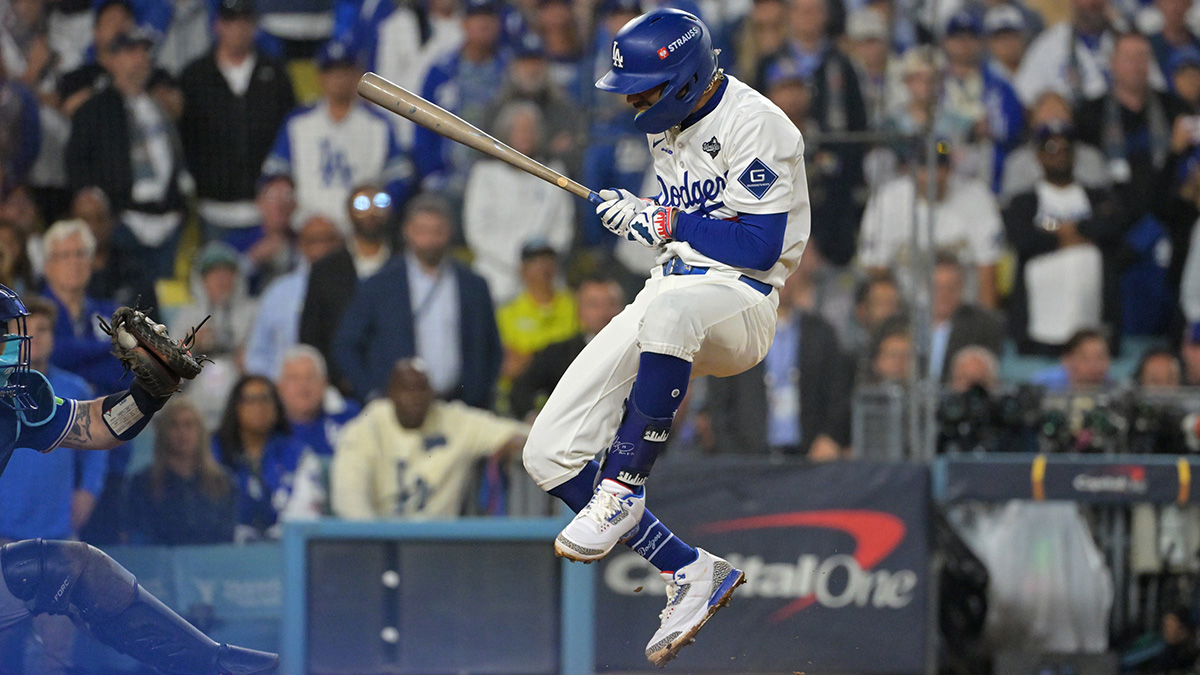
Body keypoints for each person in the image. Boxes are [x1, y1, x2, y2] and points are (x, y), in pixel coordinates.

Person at [521, 8, 808, 666]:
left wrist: (663, 217)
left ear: (682, 79)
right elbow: (677, 230)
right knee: (549, 452)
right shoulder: (670, 123)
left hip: (742, 302)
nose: (630, 101)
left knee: (672, 315)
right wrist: (645, 221)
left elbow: (760, 245)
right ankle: (689, 569)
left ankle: (623, 486)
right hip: (669, 291)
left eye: (641, 89)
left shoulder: (754, 120)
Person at [0, 284, 278, 673]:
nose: (8, 348)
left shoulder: (12, 402)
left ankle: (213, 664)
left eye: (7, 335)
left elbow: (96, 425)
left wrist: (148, 393)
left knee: (78, 566)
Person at [0, 296, 104, 674]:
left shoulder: (74, 386)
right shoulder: (0, 391)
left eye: (42, 329)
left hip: (57, 536)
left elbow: (98, 449)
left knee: (57, 647)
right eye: (24, 330)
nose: (35, 337)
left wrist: (88, 490)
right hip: (3, 536)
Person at [333, 195, 501, 407]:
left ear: (450, 231)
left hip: (461, 406)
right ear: (407, 231)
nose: (430, 239)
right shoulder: (380, 284)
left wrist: (479, 392)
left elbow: (491, 346)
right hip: (398, 409)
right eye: (422, 231)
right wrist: (372, 394)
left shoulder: (474, 285)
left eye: (437, 231)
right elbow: (346, 344)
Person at [65, 26, 191, 281]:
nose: (140, 58)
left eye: (144, 51)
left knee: (164, 306)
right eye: (130, 51)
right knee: (129, 304)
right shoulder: (93, 109)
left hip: (167, 221)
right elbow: (76, 162)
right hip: (123, 223)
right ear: (111, 60)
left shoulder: (160, 106)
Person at [331, 359, 527, 519]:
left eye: (422, 389)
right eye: (407, 389)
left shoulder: (453, 420)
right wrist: (377, 545)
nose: (415, 397)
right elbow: (349, 501)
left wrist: (515, 443)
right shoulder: (364, 428)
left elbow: (520, 435)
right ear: (390, 394)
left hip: (438, 545)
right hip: (378, 541)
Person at [260, 38, 413, 234]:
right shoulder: (298, 122)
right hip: (309, 230)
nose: (339, 79)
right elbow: (275, 175)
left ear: (358, 75)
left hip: (363, 230)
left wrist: (378, 207)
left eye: (345, 71)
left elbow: (399, 177)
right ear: (320, 76)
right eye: (332, 71)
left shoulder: (378, 124)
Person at [179, 0, 296, 250]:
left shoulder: (275, 74)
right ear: (217, 25)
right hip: (213, 209)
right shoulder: (194, 76)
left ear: (254, 26)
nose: (238, 29)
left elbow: (290, 134)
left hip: (266, 212)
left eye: (244, 22)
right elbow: (183, 137)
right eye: (231, 22)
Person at [705, 268, 852, 461]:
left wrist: (830, 437)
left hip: (809, 460)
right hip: (748, 462)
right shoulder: (732, 333)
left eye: (788, 270)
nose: (781, 280)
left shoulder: (821, 334)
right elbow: (720, 404)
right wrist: (734, 455)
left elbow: (838, 396)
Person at [464, 101, 575, 304]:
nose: (526, 134)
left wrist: (538, 263)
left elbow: (563, 230)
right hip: (496, 278)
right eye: (519, 129)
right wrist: (519, 263)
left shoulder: (555, 173)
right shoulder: (484, 175)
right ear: (506, 133)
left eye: (530, 129)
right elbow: (477, 232)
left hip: (545, 277)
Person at [299, 183, 397, 385]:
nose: (371, 212)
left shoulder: (404, 263)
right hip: (340, 384)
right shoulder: (325, 270)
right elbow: (310, 334)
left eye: (380, 203)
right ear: (348, 213)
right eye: (362, 204)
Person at [213, 375, 321, 541]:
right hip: (225, 553)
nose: (259, 406)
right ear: (236, 407)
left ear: (276, 407)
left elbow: (306, 516)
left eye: (265, 399)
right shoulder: (213, 452)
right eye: (250, 400)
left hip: (284, 553)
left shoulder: (299, 455)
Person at [124, 396, 236, 545]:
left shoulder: (222, 482)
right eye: (174, 425)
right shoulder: (143, 483)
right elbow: (137, 536)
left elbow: (228, 538)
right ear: (163, 432)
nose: (182, 432)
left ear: (200, 431)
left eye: (189, 425)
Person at [244, 214, 343, 380]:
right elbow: (257, 354)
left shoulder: (356, 286)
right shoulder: (279, 291)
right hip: (282, 388)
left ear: (339, 244)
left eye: (328, 240)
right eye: (313, 241)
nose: (321, 248)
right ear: (300, 245)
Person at [510, 277, 625, 419]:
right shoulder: (556, 353)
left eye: (611, 304)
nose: (604, 312)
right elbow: (521, 389)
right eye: (594, 305)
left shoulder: (639, 350)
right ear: (579, 310)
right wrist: (534, 418)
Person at [496, 240, 579, 381]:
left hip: (570, 386)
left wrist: (529, 357)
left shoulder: (575, 305)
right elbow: (509, 366)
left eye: (548, 260)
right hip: (522, 393)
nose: (543, 267)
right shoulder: (507, 313)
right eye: (535, 262)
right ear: (522, 269)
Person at [277, 345, 359, 458]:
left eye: (310, 377)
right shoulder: (269, 429)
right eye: (294, 378)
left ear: (324, 384)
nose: (303, 385)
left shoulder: (348, 417)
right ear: (279, 387)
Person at [1031, 327, 1113, 391]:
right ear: (1067, 360)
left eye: (1100, 358)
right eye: (1085, 358)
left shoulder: (1114, 389)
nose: (1094, 365)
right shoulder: (1042, 386)